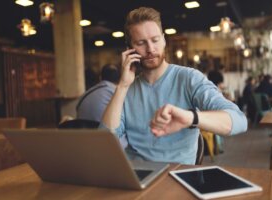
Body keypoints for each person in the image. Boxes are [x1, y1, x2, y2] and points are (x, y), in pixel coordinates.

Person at [100, 7, 247, 165]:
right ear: (130, 49)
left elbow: (239, 121)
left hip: (177, 175)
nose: (150, 49)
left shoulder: (188, 78)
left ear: (163, 40)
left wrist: (191, 117)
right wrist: (122, 86)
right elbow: (104, 140)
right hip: (137, 176)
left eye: (155, 40)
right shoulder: (126, 89)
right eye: (141, 43)